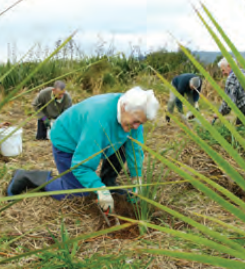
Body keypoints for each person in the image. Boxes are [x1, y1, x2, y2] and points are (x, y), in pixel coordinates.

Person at [20, 87, 159, 215]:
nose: (137, 127)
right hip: (68, 140)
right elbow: (81, 166)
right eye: (136, 122)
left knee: (123, 142)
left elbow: (135, 148)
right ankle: (32, 178)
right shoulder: (98, 120)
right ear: (124, 107)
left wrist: (137, 178)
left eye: (141, 123)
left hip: (94, 137)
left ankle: (108, 181)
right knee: (78, 193)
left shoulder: (133, 111)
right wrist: (99, 189)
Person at [213, 57, 245, 125]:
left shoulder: (231, 78)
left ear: (229, 66)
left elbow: (229, 102)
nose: (223, 73)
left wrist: (219, 113)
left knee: (239, 132)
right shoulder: (244, 73)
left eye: (223, 70)